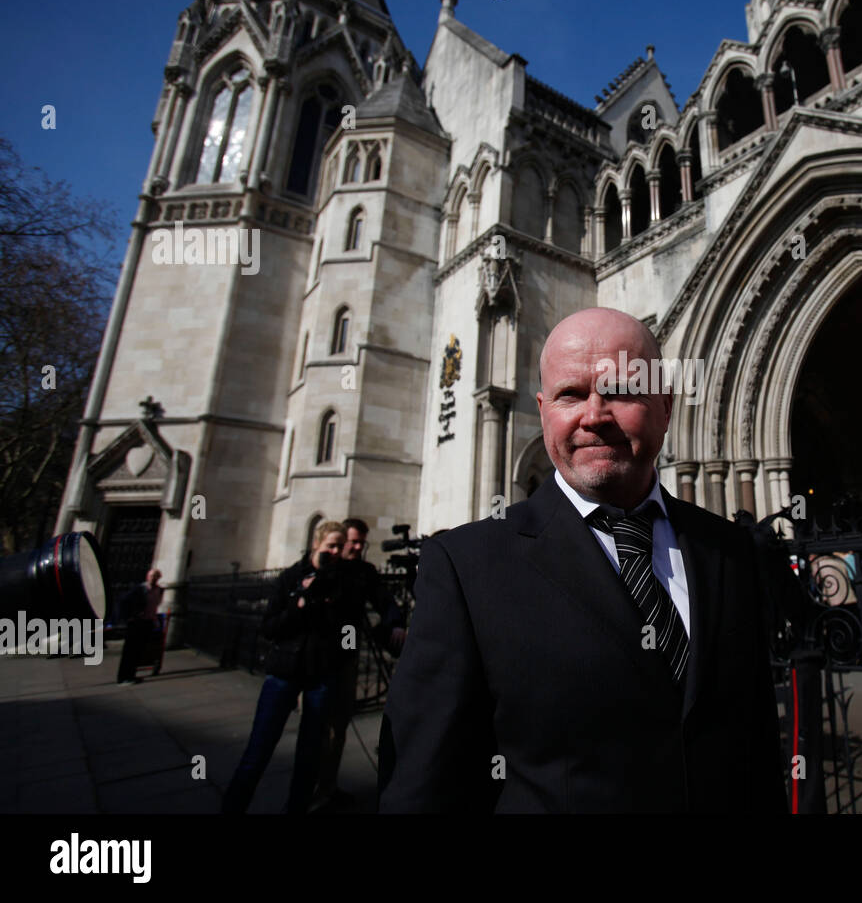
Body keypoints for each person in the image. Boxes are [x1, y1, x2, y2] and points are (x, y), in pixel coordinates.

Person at [379, 307, 786, 812]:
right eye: (571, 394)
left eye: (619, 390)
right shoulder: (466, 567)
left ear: (665, 406)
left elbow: (757, 742)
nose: (594, 415)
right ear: (544, 407)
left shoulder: (727, 550)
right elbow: (424, 785)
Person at [222, 521, 348, 814]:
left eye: (340, 547)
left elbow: (342, 630)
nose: (336, 551)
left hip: (318, 674)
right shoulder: (290, 578)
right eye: (331, 545)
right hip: (284, 672)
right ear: (316, 543)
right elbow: (270, 628)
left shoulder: (340, 582)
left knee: (309, 756)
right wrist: (299, 603)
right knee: (259, 749)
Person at [312, 517, 406, 812]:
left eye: (359, 543)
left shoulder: (361, 573)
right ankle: (308, 791)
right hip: (312, 661)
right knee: (316, 729)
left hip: (345, 658)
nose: (354, 548)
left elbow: (384, 600)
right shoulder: (318, 572)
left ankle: (326, 789)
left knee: (337, 727)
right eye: (350, 542)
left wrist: (395, 624)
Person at [116, 569, 163, 684]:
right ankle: (123, 677)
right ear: (147, 576)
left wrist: (154, 619)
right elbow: (124, 601)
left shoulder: (159, 590)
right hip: (136, 623)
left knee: (138, 651)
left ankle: (131, 675)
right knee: (129, 651)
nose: (153, 578)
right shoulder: (140, 589)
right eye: (151, 576)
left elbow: (154, 606)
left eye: (155, 576)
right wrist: (130, 617)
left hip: (148, 623)